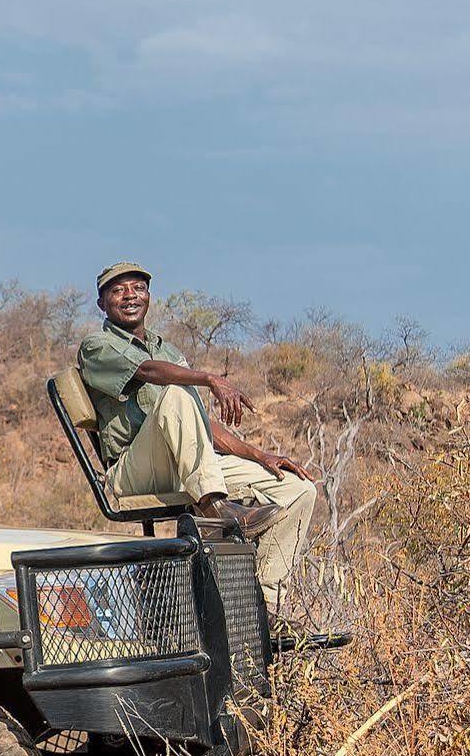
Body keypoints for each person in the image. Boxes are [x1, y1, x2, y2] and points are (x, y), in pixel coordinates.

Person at [79, 262, 319, 615]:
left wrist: (259, 455)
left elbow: (198, 424)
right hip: (135, 470)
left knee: (298, 488)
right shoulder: (96, 346)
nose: (130, 296)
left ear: (148, 296)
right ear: (102, 304)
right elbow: (148, 372)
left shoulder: (167, 348)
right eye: (118, 291)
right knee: (176, 392)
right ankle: (215, 508)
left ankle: (269, 605)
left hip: (189, 465)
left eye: (138, 288)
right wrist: (209, 379)